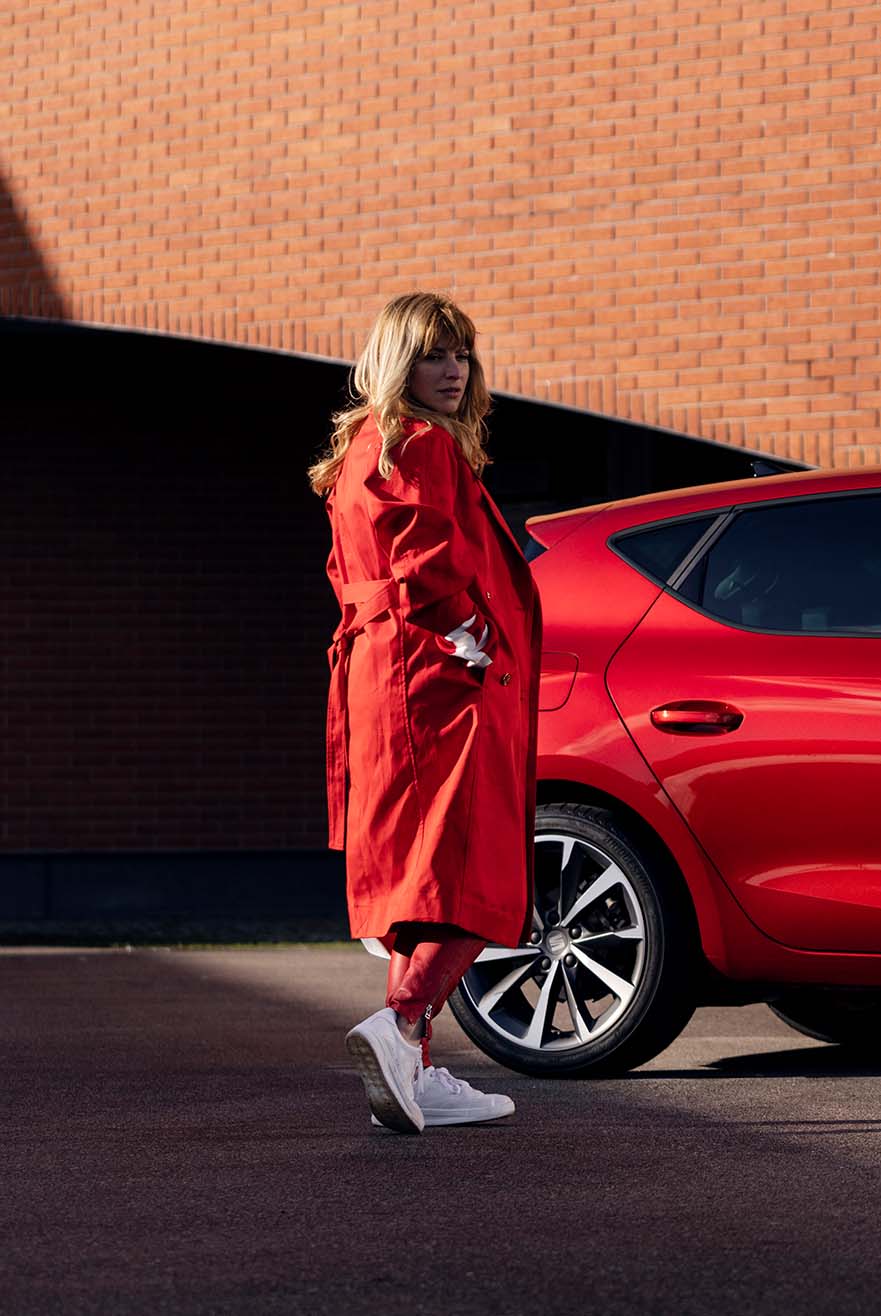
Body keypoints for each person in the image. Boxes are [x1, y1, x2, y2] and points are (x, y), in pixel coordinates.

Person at [308, 293, 543, 1133]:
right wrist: (469, 634)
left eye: (463, 355)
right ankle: (404, 1024)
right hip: (438, 678)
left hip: (385, 678)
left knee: (421, 876)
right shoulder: (423, 444)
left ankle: (417, 1072)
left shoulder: (364, 446)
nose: (452, 371)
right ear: (396, 361)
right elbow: (426, 559)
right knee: (473, 868)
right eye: (434, 354)